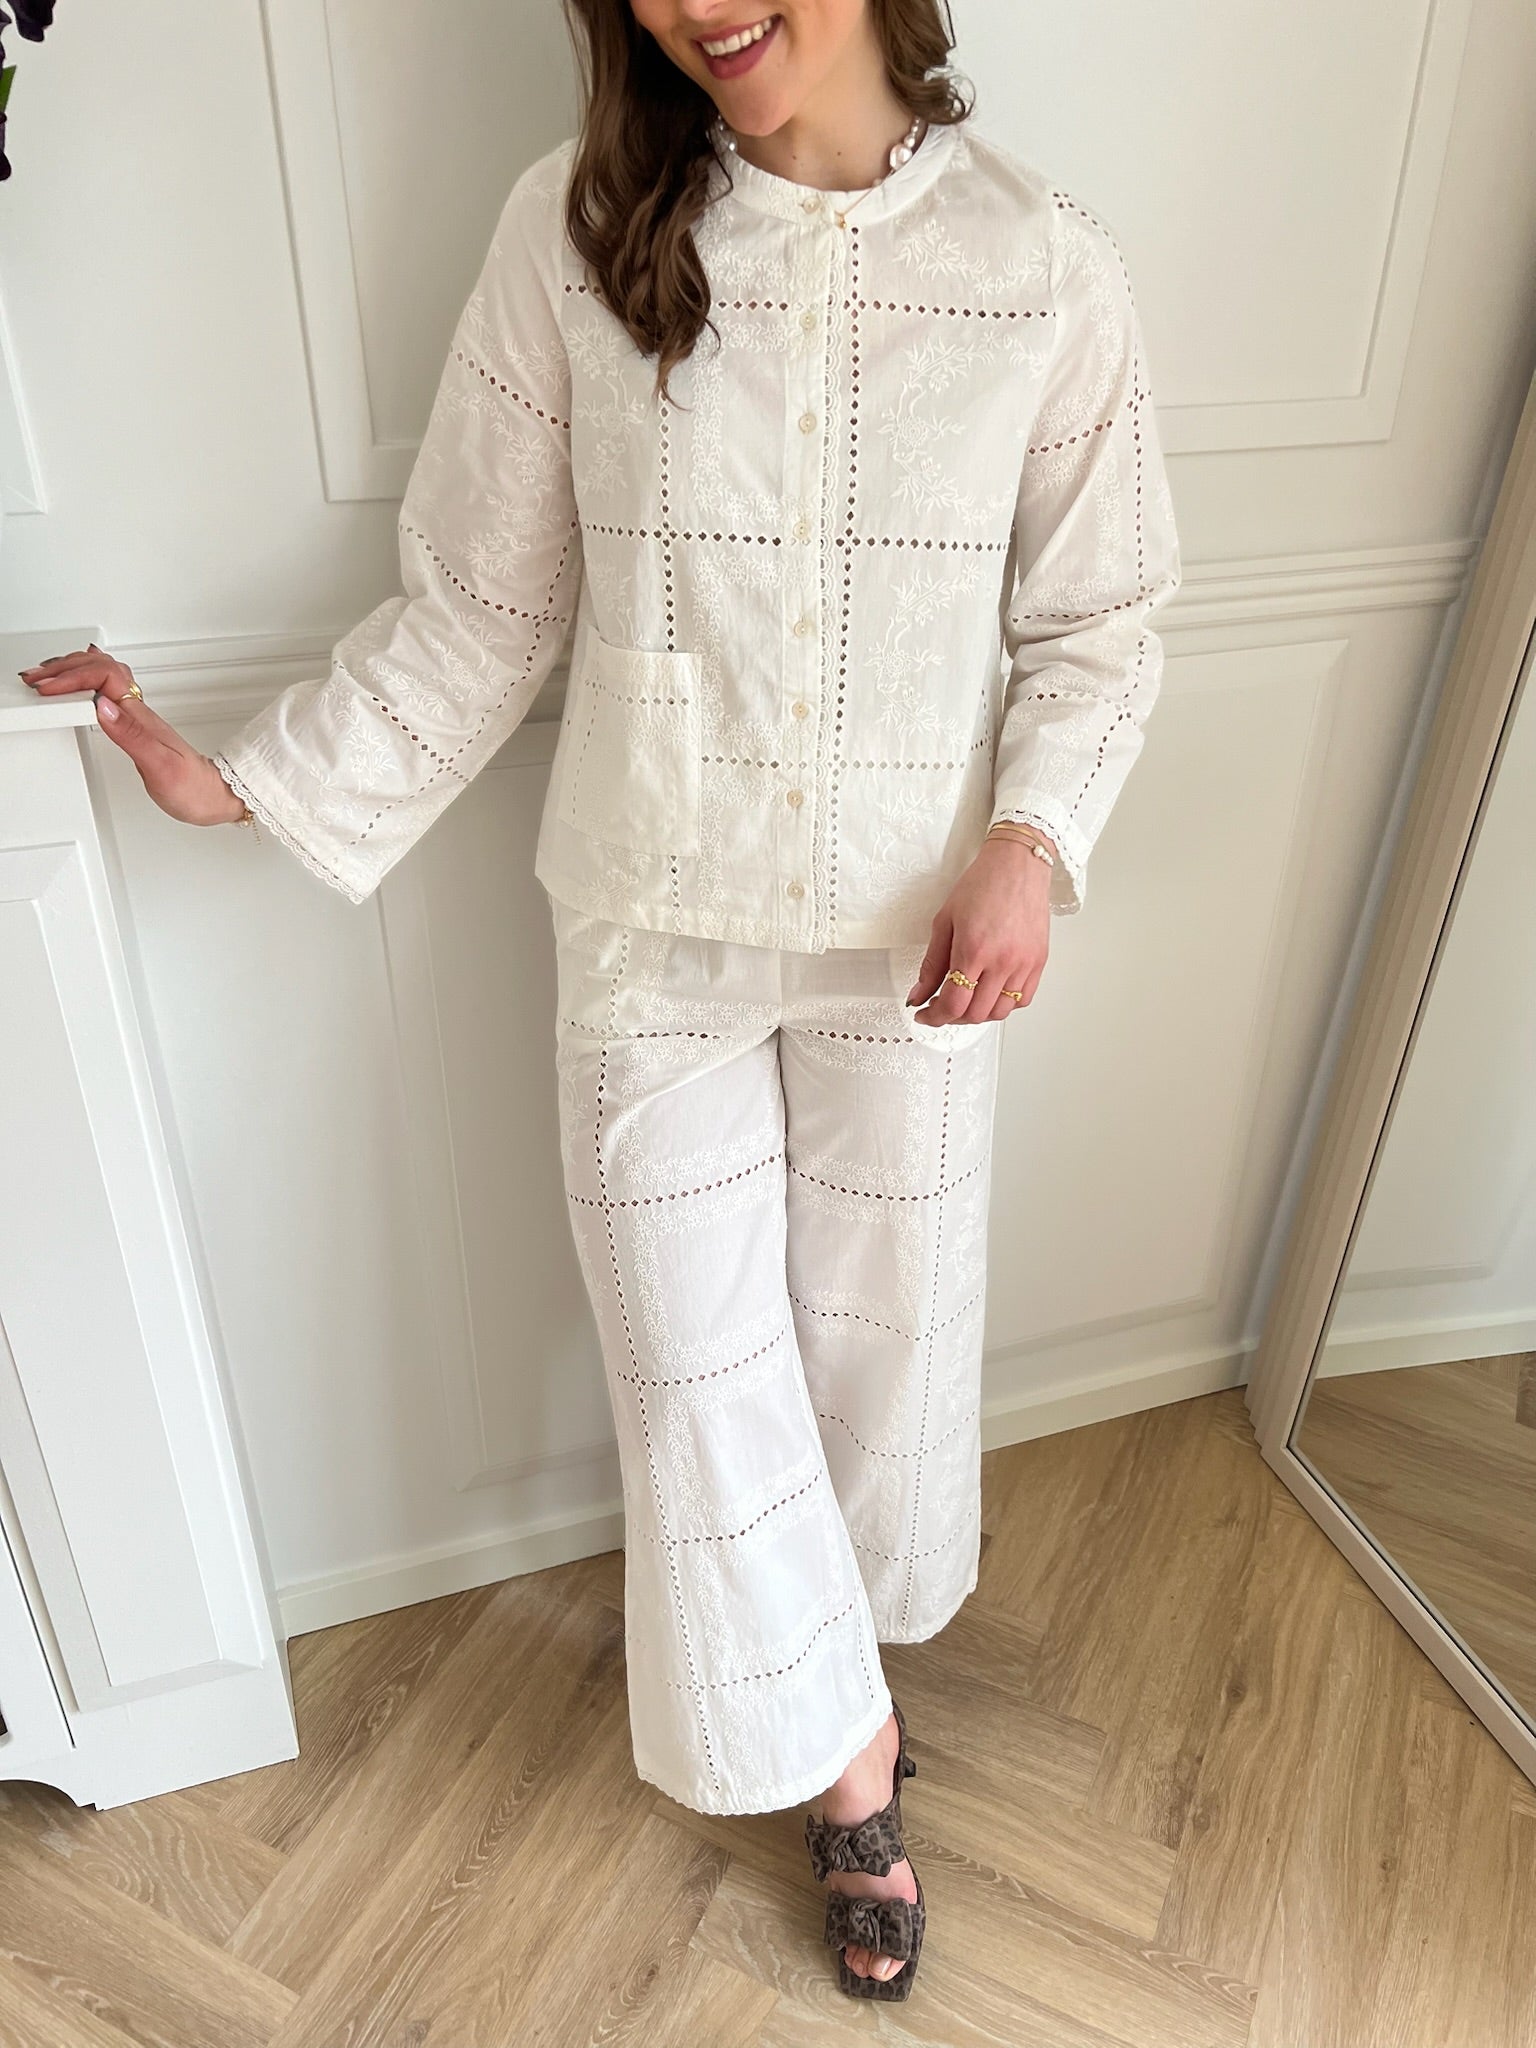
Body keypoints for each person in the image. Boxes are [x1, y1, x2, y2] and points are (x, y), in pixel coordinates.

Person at [20, 0, 1180, 2001]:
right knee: (694, 1375)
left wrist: (1033, 838)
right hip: (649, 929)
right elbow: (485, 601)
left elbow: (1103, 614)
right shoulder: (579, 228)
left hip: (917, 947)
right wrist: (249, 780)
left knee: (879, 1351)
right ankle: (853, 1763)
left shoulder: (1041, 261)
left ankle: (835, 1691)